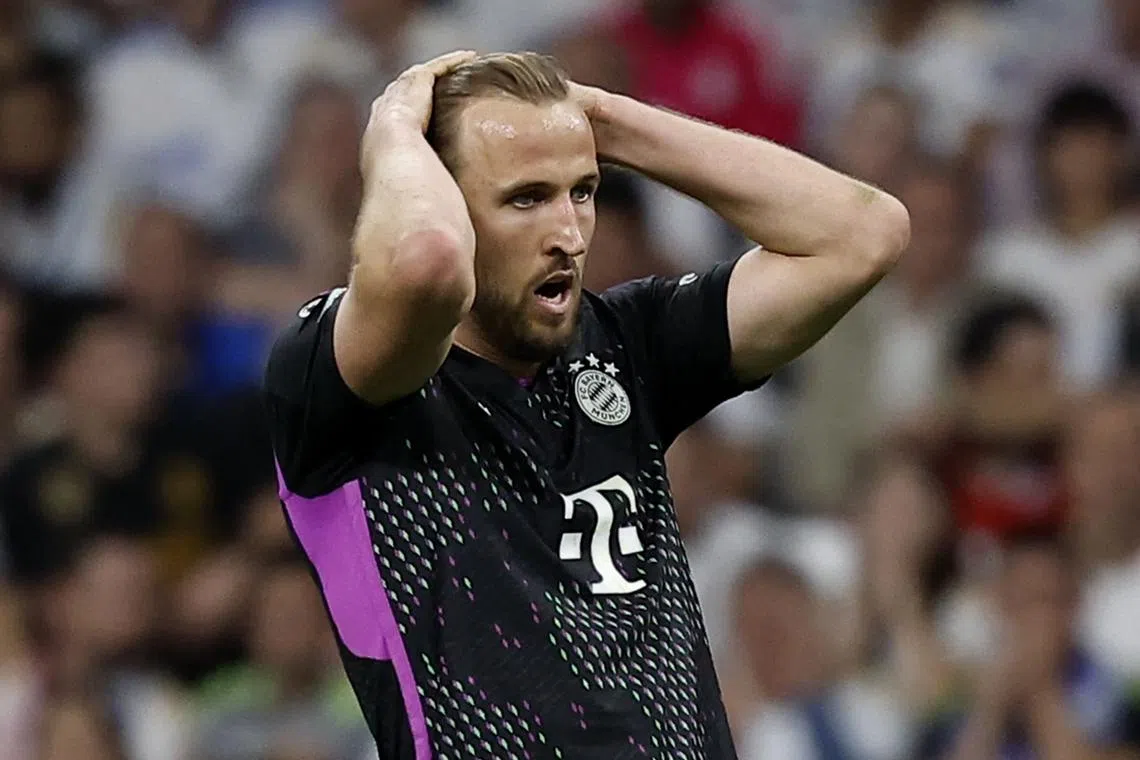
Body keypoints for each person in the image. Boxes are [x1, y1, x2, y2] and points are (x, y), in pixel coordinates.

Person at [261, 50, 909, 759]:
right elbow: (426, 264)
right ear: (435, 195)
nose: (568, 234)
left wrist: (600, 120)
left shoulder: (627, 344)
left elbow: (861, 234)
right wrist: (392, 131)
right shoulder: (340, 382)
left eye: (583, 190)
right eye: (526, 198)